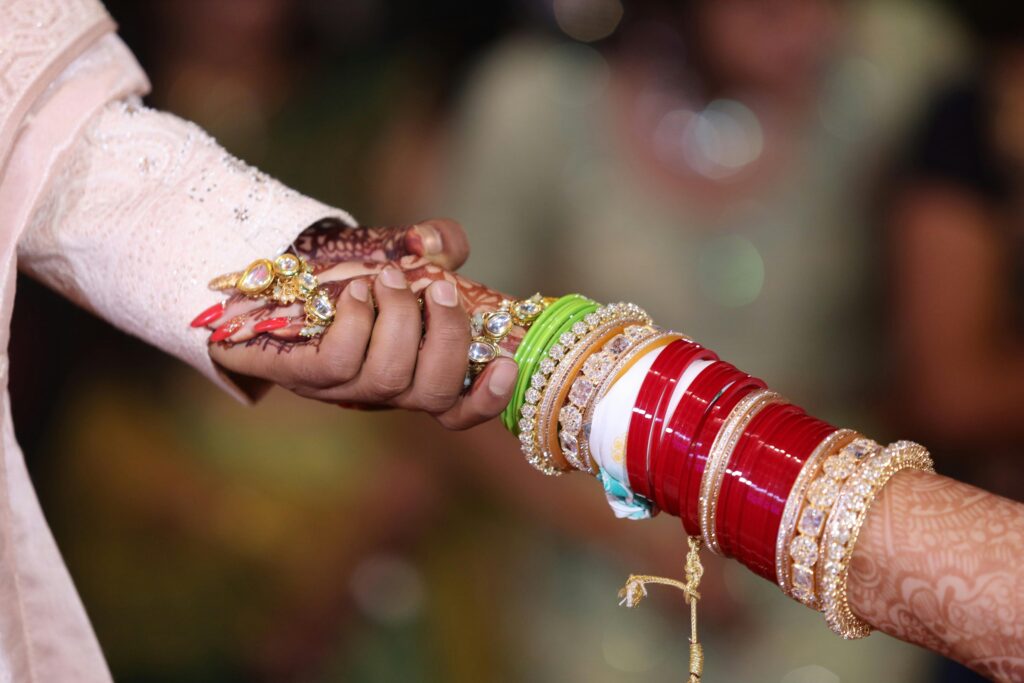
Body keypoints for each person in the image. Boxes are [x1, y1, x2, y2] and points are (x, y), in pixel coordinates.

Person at [0, 1, 508, 679]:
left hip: (349, 513)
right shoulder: (134, 77)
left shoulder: (373, 101)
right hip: (153, 523)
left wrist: (266, 246)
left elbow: (47, 133)